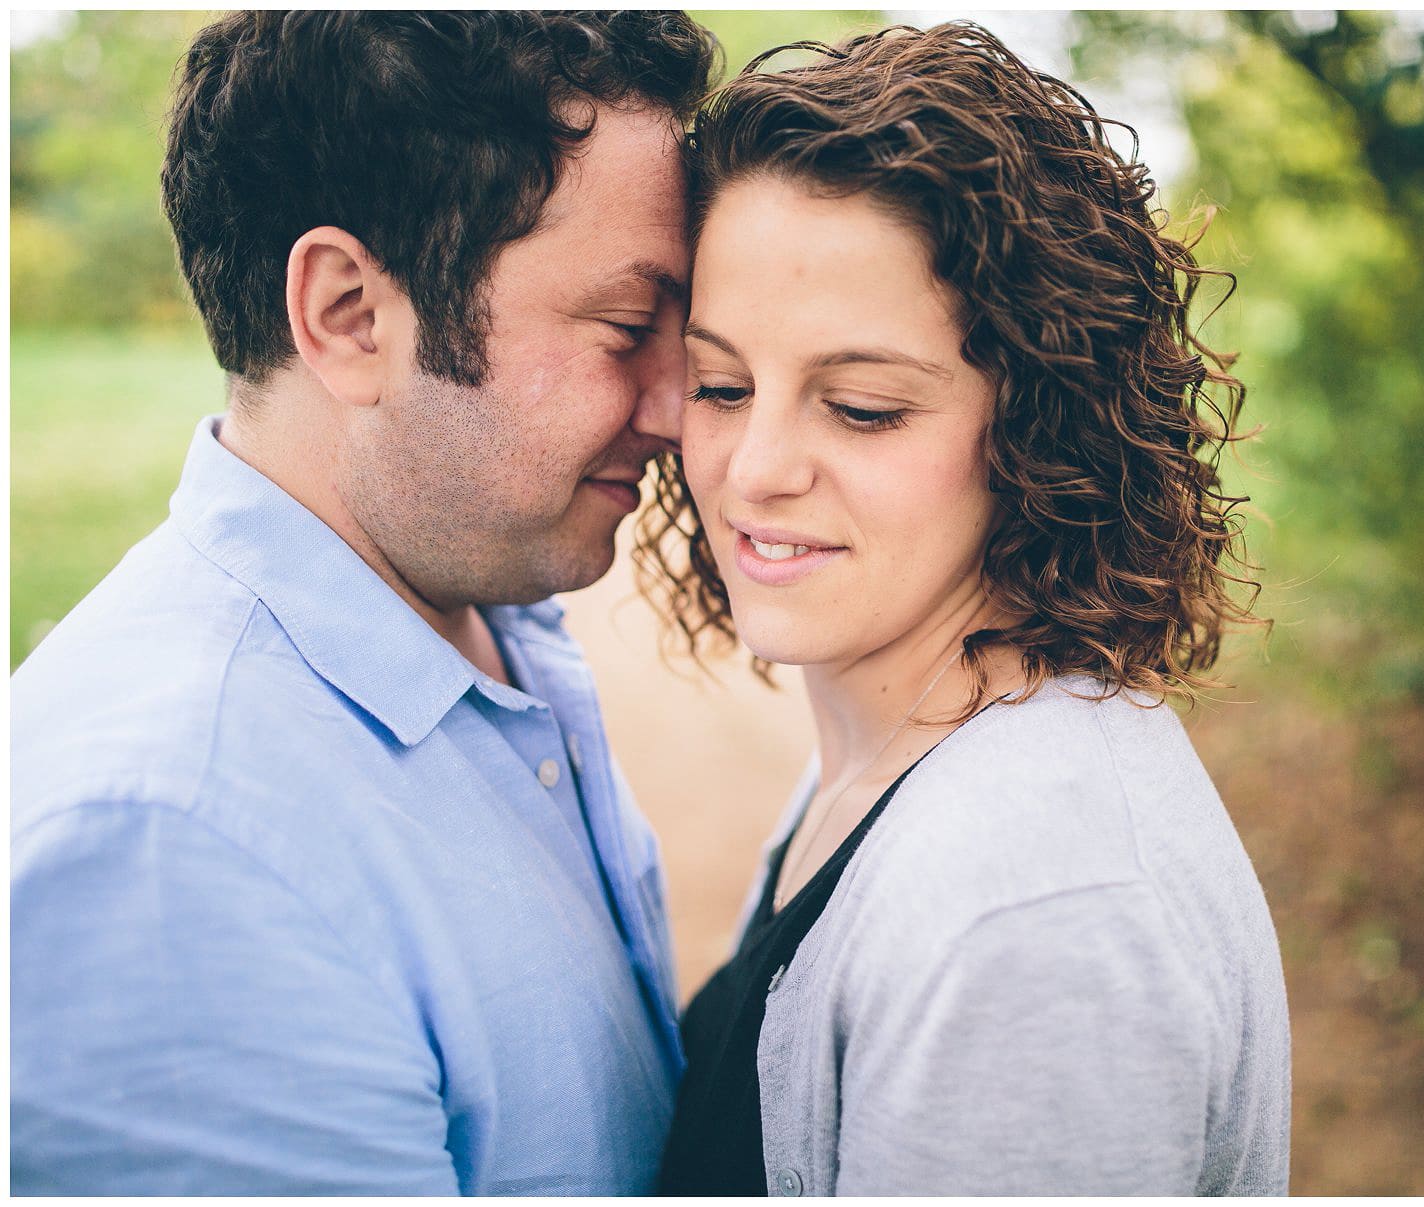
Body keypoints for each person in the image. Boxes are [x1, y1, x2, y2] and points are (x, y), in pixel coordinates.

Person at [11, 12, 714, 1194]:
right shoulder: (174, 846)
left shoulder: (483, 610)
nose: (677, 405)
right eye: (628, 328)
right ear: (347, 314)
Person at [643, 20, 1291, 1197]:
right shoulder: (896, 742)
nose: (753, 468)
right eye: (722, 384)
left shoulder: (1033, 921)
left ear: (1043, 432)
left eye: (866, 407)